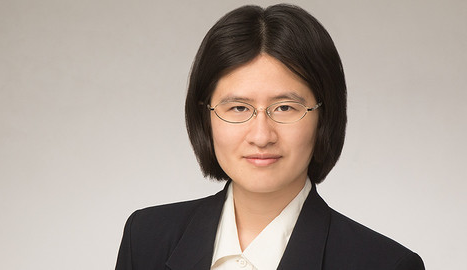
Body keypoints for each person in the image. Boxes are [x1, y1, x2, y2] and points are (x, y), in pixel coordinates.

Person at [115, 4, 424, 270]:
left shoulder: (384, 264)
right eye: (238, 107)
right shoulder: (146, 239)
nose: (261, 136)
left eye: (285, 107)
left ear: (324, 116)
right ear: (204, 116)